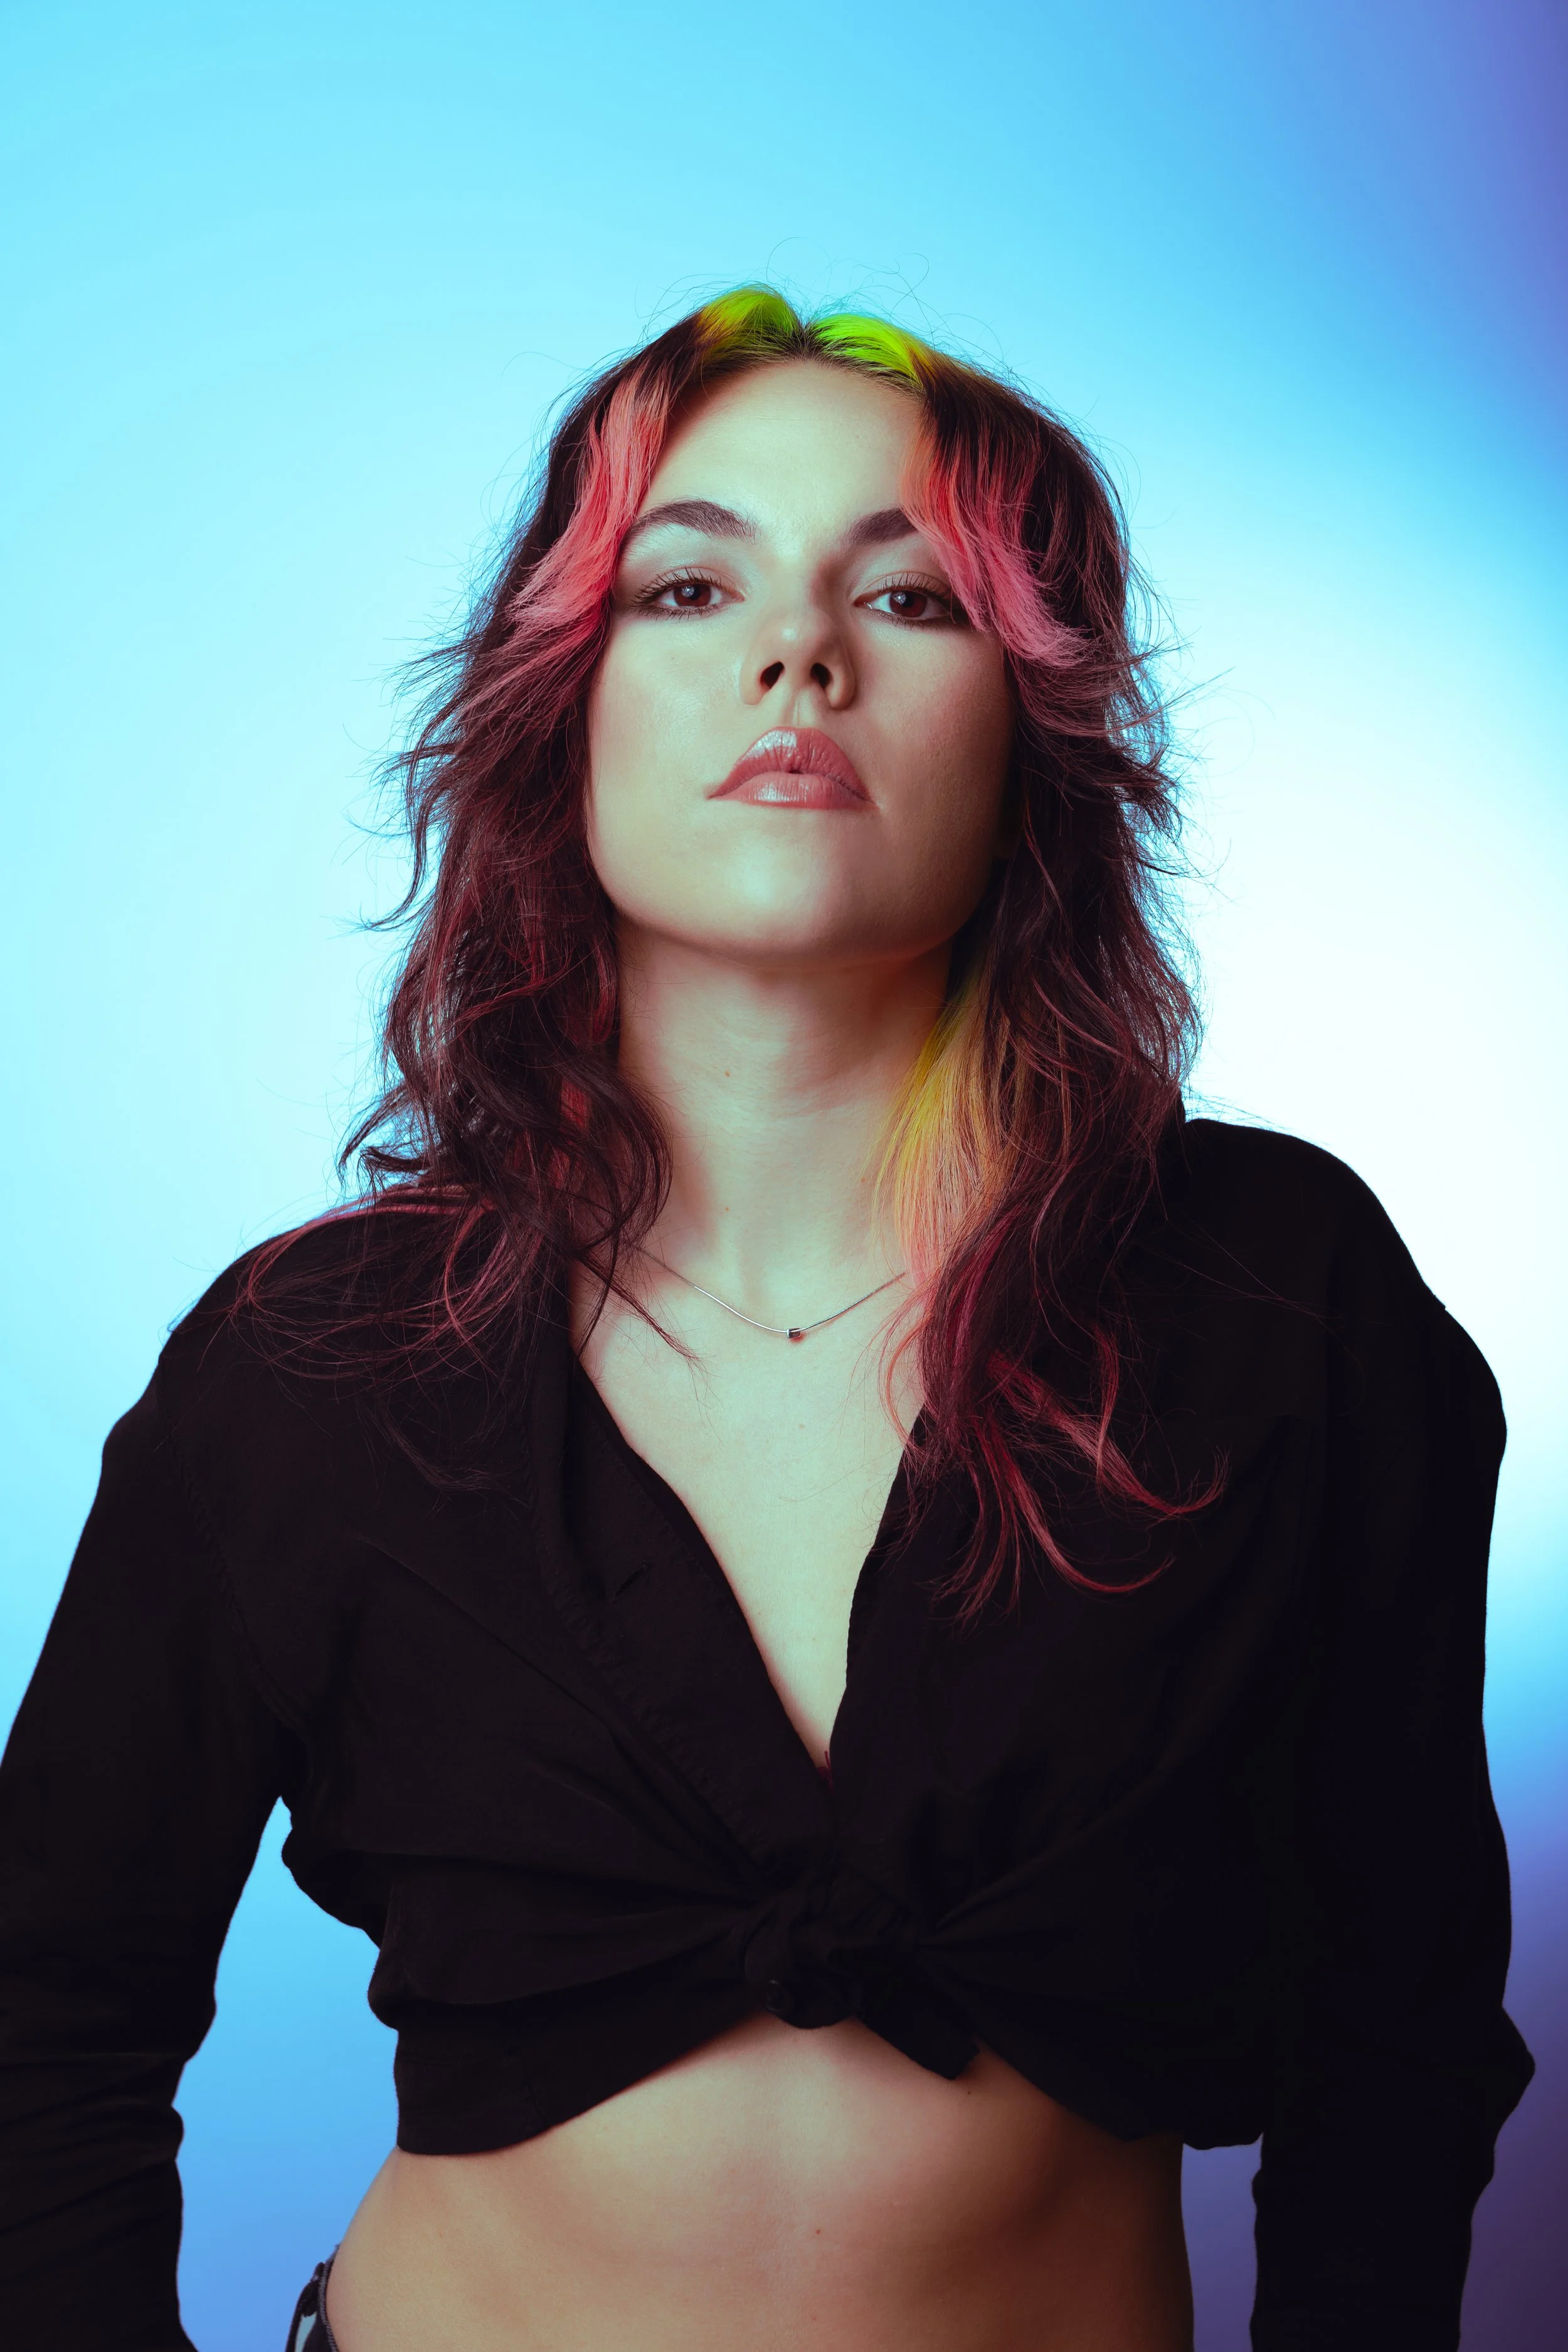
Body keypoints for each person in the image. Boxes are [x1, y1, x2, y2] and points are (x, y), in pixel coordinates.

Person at [0, 287, 1532, 2352]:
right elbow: (42, 2020)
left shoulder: (1275, 1295)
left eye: (909, 599)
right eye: (687, 581)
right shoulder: (304, 1368)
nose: (794, 650)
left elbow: (1398, 2035)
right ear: (566, 699)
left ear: (1035, 731)